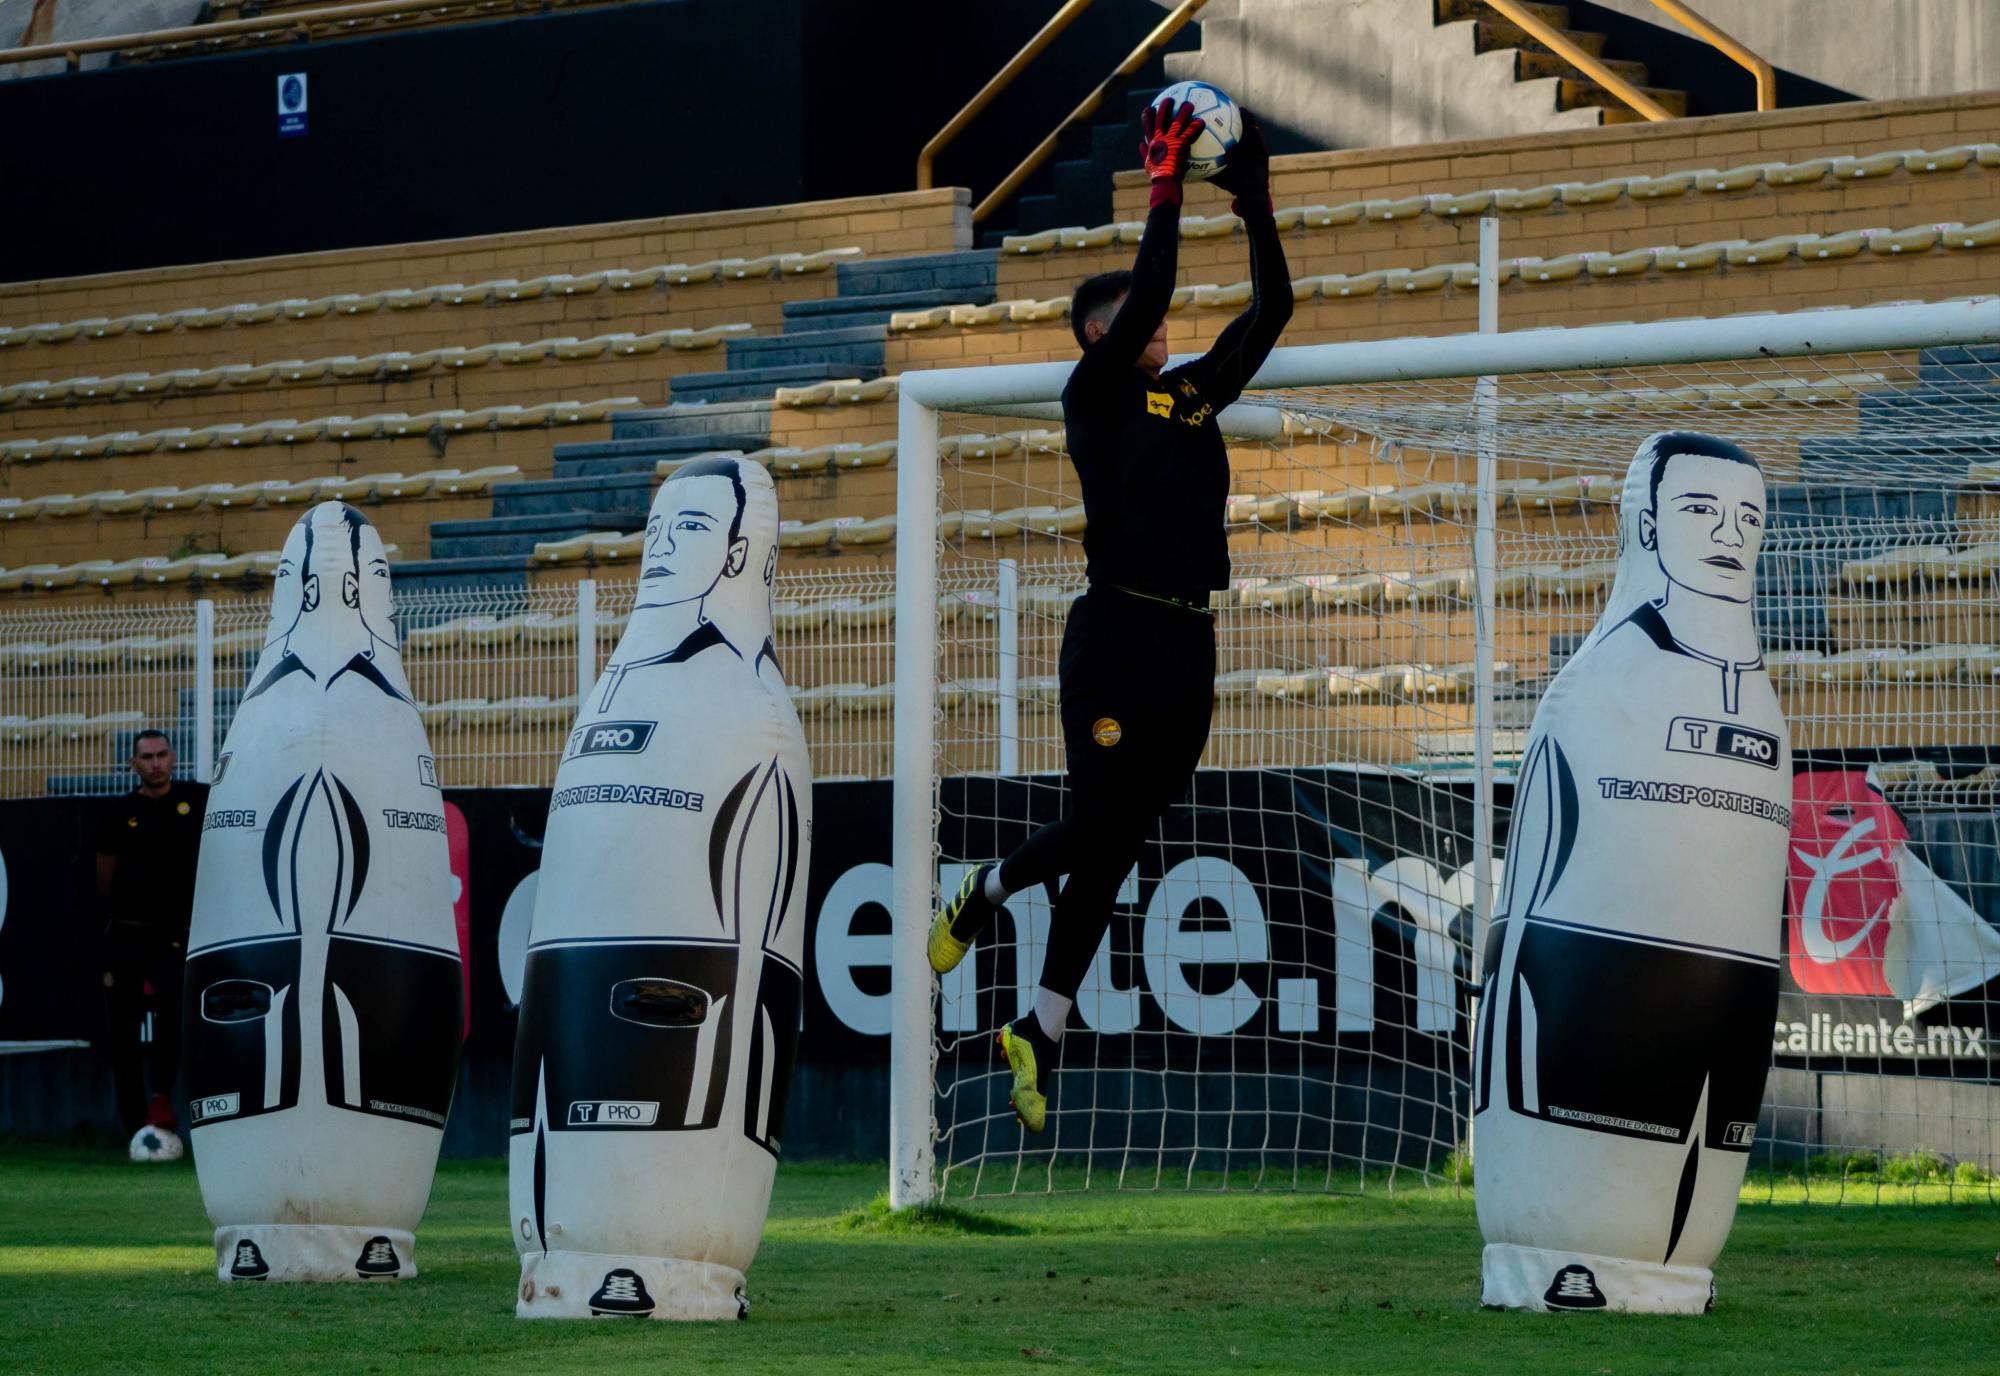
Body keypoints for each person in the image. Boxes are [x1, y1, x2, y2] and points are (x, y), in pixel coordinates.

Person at [927, 98, 1294, 1131]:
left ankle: (1038, 1025)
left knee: (1118, 839)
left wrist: (1255, 202)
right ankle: (987, 887)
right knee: (1098, 821)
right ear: (1099, 330)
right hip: (1111, 638)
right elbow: (1159, 285)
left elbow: (1271, 313)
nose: (1159, 319)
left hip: (1187, 640)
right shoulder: (1092, 389)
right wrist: (1165, 187)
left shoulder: (1186, 396)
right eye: (1133, 311)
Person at [93, 728, 209, 1139]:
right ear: (133, 764)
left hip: (176, 935)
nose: (156, 763)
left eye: (162, 754)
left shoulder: (197, 802)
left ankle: (161, 1097)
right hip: (128, 934)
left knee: (173, 1012)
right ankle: (133, 1125)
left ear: (173, 758)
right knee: (121, 1031)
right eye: (147, 757)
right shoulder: (118, 812)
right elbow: (104, 878)